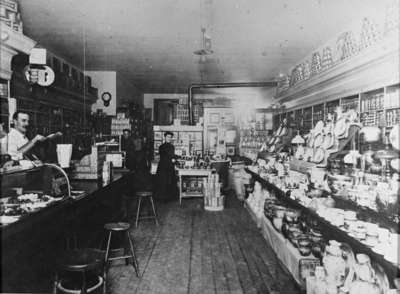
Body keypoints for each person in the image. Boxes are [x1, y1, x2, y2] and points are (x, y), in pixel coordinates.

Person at [155, 131, 178, 202]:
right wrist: (174, 159)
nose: (169, 138)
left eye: (170, 137)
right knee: (164, 182)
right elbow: (168, 156)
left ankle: (167, 198)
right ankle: (163, 198)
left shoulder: (171, 146)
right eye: (168, 137)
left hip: (167, 166)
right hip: (164, 167)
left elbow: (171, 156)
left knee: (168, 182)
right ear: (164, 137)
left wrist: (174, 158)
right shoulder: (162, 147)